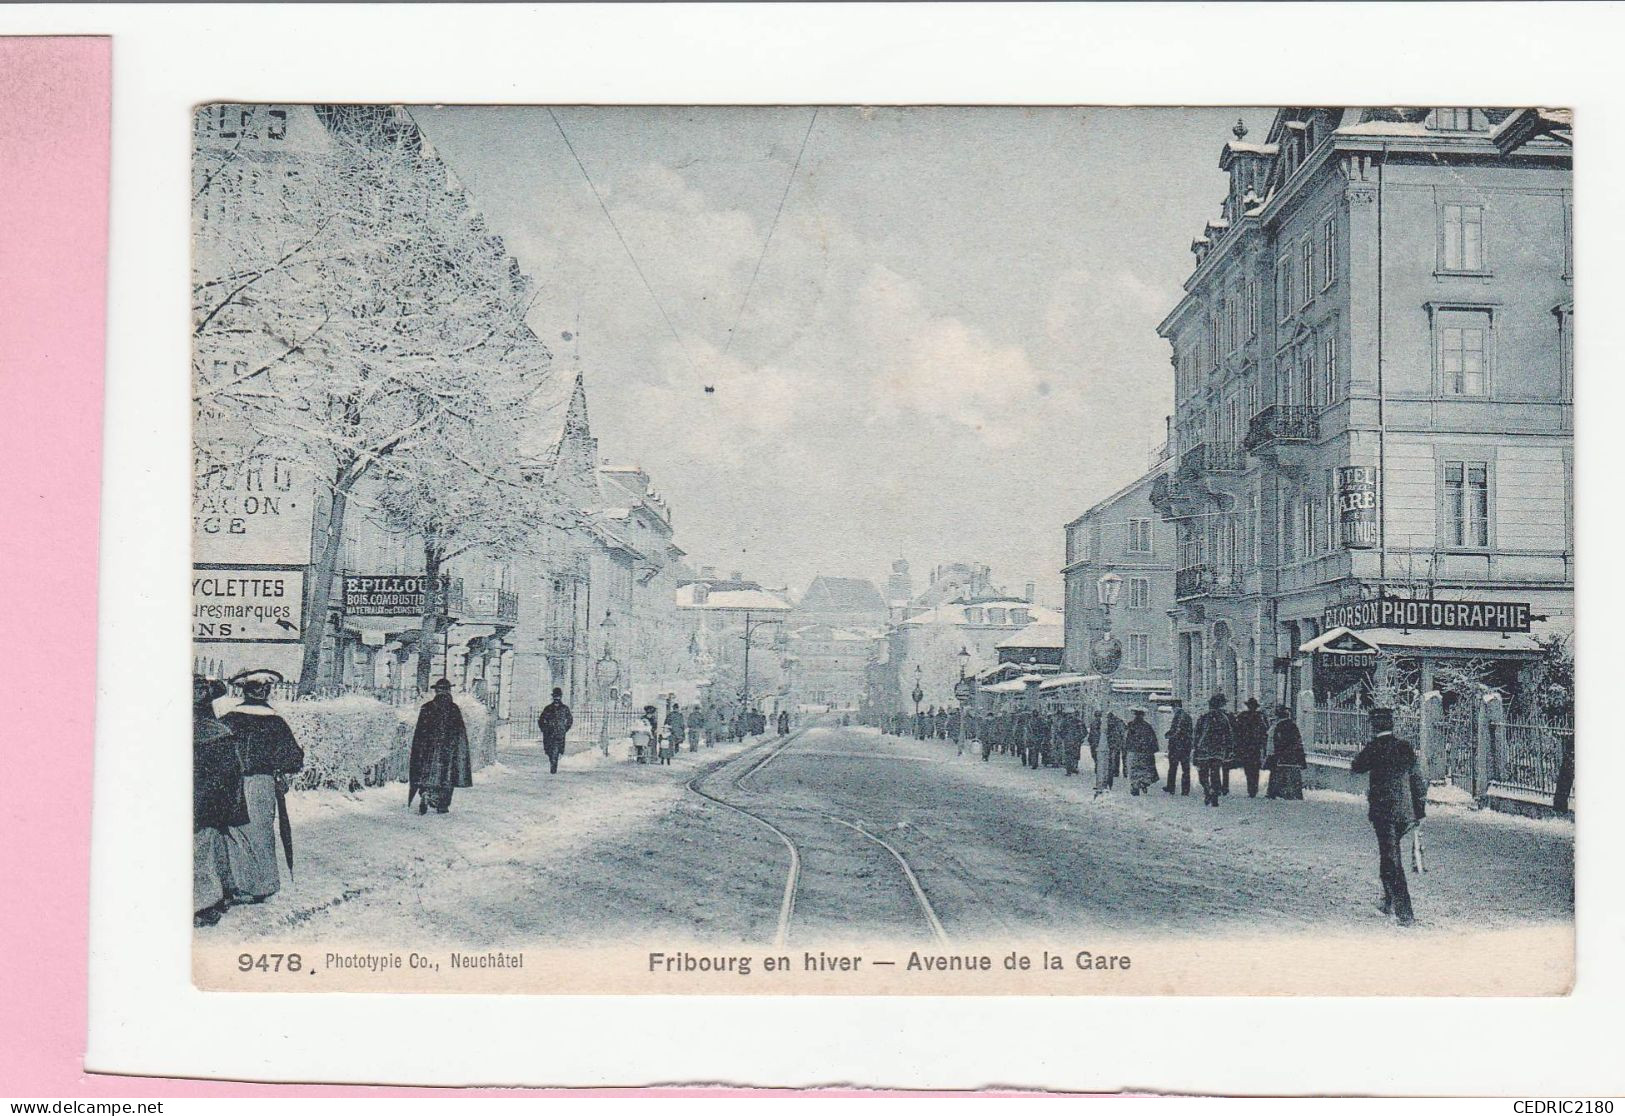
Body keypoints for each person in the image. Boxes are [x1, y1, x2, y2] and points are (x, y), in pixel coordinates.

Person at [220, 669, 304, 900]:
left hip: (233, 782)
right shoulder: (276, 722)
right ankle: (263, 885)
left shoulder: (228, 719)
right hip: (262, 783)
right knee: (261, 832)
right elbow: (294, 759)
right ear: (265, 692)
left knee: (235, 833)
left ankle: (237, 884)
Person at [1349, 707, 1427, 926]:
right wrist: (1418, 811)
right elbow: (1418, 779)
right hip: (1406, 813)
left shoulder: (1374, 748)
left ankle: (1404, 912)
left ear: (1374, 726)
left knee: (1391, 859)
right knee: (1389, 856)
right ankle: (1388, 900)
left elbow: (1356, 767)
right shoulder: (1404, 747)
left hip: (1384, 814)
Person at [194, 676, 248, 928]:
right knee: (210, 847)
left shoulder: (217, 734)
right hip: (207, 803)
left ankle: (207, 903)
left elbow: (230, 773)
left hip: (204, 803)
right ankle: (221, 894)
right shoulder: (220, 734)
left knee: (203, 849)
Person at [409, 679, 474, 814]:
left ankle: (426, 793)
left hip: (428, 750)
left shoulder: (426, 707)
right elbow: (460, 733)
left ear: (436, 691)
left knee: (427, 774)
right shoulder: (453, 709)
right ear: (448, 691)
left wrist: (420, 750)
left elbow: (420, 732)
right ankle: (442, 805)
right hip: (448, 751)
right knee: (447, 778)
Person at [1192, 693, 1234, 807]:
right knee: (1215, 774)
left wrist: (1195, 747)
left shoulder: (1203, 717)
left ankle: (1207, 790)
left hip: (1203, 751)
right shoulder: (1224, 718)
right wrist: (1229, 749)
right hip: (1218, 751)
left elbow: (1196, 734)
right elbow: (1229, 735)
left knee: (1203, 774)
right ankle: (1214, 795)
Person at [1266, 705, 1306, 800]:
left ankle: (1278, 791)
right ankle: (1289, 792)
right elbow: (1298, 742)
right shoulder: (1291, 725)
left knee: (1279, 774)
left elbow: (1275, 742)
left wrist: (1274, 754)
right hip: (1291, 756)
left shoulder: (1278, 726)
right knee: (1290, 774)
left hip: (1281, 756)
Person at [1233, 698, 1269, 798]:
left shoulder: (1242, 716)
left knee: (1248, 768)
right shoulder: (1260, 717)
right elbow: (1265, 731)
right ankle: (1254, 788)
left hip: (1246, 746)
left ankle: (1251, 788)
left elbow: (1237, 731)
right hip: (1255, 746)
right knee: (1255, 767)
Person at [1125, 707, 1160, 794]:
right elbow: (1152, 739)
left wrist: (1127, 747)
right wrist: (1153, 749)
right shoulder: (1147, 726)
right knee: (1145, 769)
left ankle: (1135, 786)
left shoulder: (1131, 725)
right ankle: (1143, 783)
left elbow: (1128, 738)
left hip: (1134, 751)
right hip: (1145, 751)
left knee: (1134, 769)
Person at [538, 687, 573, 774]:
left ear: (560, 697)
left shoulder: (564, 709)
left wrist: (564, 729)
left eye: (558, 697)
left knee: (556, 751)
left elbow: (570, 720)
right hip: (549, 733)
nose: (556, 699)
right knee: (549, 751)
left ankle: (553, 768)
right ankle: (552, 763)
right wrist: (544, 729)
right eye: (555, 697)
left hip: (559, 734)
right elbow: (541, 720)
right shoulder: (548, 708)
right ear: (553, 697)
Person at [1164, 699, 1193, 796]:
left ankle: (1171, 787)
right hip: (1186, 746)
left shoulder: (1179, 716)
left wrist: (1168, 735)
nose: (1172, 709)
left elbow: (1177, 731)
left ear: (1176, 706)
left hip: (1177, 746)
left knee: (1173, 767)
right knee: (1185, 768)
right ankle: (1185, 789)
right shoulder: (1187, 716)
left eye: (1173, 707)